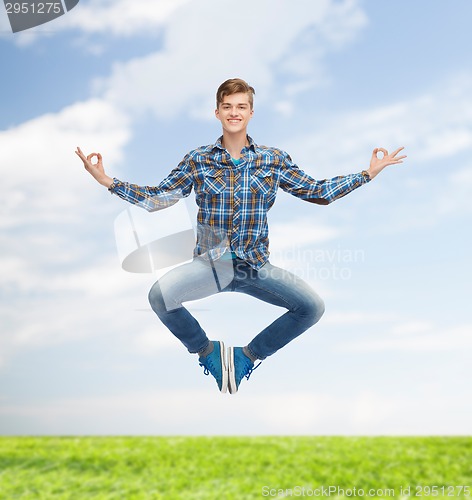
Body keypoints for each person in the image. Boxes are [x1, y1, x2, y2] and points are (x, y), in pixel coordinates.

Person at [76, 78, 406, 395]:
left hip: (255, 268)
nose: (234, 112)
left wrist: (366, 174)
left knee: (312, 308)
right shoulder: (199, 159)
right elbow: (160, 198)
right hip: (211, 265)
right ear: (217, 112)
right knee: (160, 297)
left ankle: (245, 358)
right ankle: (208, 353)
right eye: (227, 106)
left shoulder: (272, 160)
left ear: (250, 113)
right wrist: (108, 181)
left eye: (242, 106)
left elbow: (317, 192)